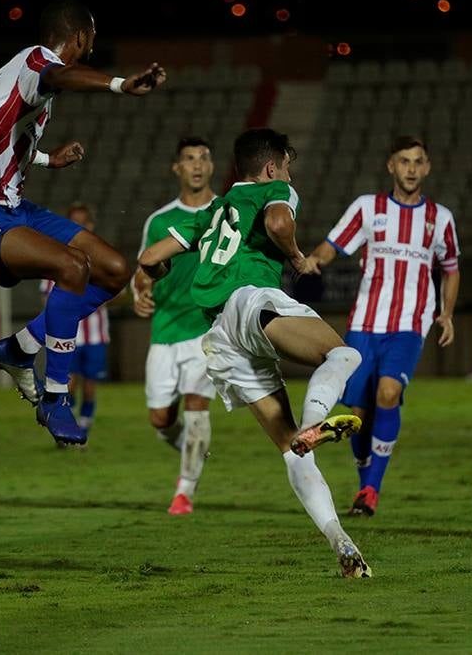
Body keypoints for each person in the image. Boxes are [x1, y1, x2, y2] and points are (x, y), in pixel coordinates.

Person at [0, 0, 165, 447]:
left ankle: (20, 348)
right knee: (72, 267)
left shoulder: (23, 82)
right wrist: (118, 85)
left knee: (112, 269)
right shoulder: (38, 61)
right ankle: (55, 398)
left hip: (14, 208)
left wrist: (49, 158)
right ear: (80, 37)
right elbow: (59, 74)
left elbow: (2, 141)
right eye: (91, 39)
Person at [137, 128, 372, 577]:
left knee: (291, 452)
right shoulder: (275, 190)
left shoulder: (211, 210)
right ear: (271, 167)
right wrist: (298, 257)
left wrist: (159, 273)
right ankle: (312, 424)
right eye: (286, 166)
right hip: (249, 300)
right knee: (344, 357)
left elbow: (151, 257)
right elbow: (279, 224)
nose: (288, 174)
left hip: (219, 336)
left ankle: (339, 539)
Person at [301, 135, 460, 518]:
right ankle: (363, 479)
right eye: (403, 161)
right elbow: (333, 244)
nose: (410, 168)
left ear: (427, 167)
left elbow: (451, 270)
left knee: (388, 393)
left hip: (409, 324)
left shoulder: (440, 218)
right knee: (357, 411)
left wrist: (447, 313)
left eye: (417, 161)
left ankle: (372, 488)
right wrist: (314, 260)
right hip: (364, 323)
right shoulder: (367, 208)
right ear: (391, 166)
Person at [132, 136, 217, 514]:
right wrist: (140, 293)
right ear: (177, 168)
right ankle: (192, 446)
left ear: (211, 166)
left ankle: (185, 491)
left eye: (203, 158)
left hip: (207, 329)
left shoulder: (225, 213)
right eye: (189, 159)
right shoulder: (161, 220)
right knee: (161, 419)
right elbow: (143, 271)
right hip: (165, 329)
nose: (197, 165)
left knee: (198, 407)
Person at [39, 203, 109, 442]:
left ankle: (84, 429)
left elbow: (115, 290)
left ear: (90, 225)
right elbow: (46, 297)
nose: (79, 226)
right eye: (74, 221)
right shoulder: (58, 259)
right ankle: (67, 429)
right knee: (69, 385)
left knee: (90, 388)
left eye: (83, 221)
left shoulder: (102, 258)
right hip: (68, 336)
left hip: (96, 335)